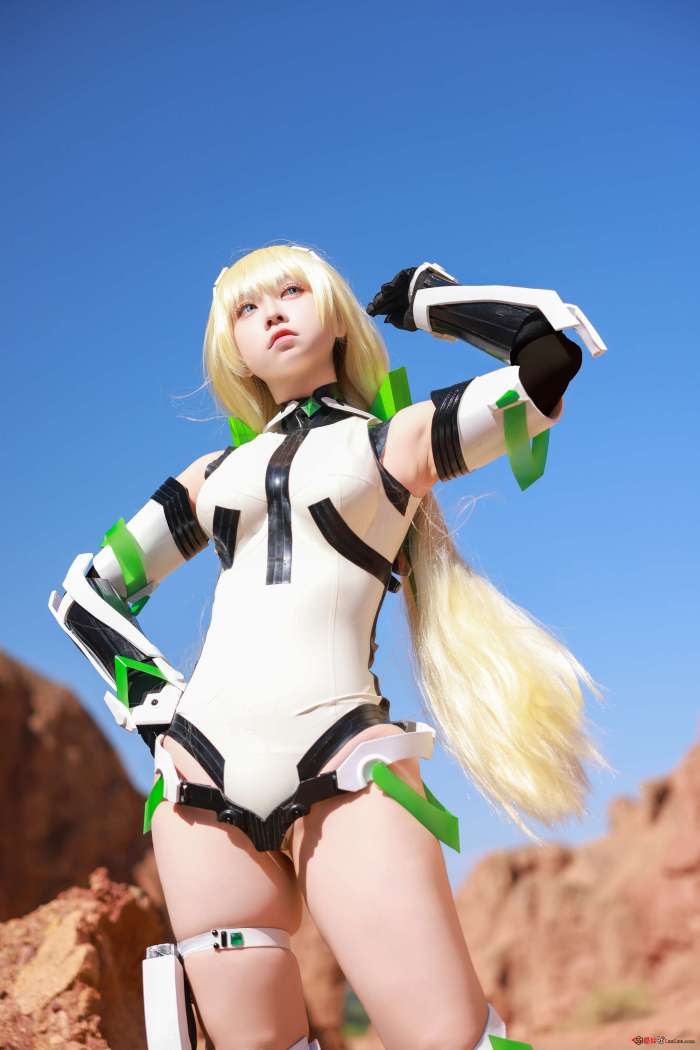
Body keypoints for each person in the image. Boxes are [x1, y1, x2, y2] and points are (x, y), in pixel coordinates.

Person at [49, 244, 610, 1050]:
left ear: (338, 317)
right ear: (233, 349)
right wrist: (159, 710)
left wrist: (432, 303)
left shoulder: (396, 442)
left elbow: (548, 358)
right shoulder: (209, 476)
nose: (272, 313)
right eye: (247, 308)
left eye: (293, 291)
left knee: (448, 1038)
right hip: (197, 778)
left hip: (343, 762)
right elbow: (87, 594)